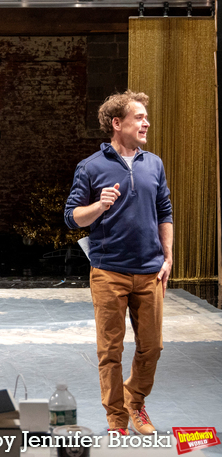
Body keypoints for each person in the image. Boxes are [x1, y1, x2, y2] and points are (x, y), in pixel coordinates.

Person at [64, 91, 173, 435]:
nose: (146, 123)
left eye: (146, 117)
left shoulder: (154, 163)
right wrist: (99, 206)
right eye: (139, 117)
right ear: (117, 123)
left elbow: (164, 212)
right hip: (109, 272)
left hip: (150, 272)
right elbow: (72, 217)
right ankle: (117, 420)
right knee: (110, 350)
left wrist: (168, 257)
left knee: (152, 347)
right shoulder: (91, 167)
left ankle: (134, 399)